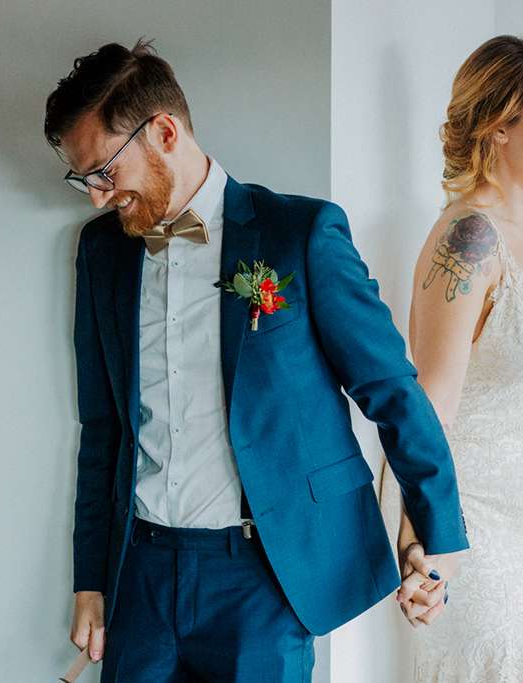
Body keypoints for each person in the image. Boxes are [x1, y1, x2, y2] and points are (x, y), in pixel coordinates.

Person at [43, 39, 468, 683]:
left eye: (104, 171)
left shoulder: (300, 233)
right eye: (84, 181)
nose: (97, 197)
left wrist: (438, 537)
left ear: (164, 133)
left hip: (265, 580)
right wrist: (91, 582)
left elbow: (391, 390)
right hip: (141, 577)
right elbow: (101, 427)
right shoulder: (101, 251)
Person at [383, 35, 523, 681]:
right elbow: (429, 409)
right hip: (467, 517)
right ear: (499, 124)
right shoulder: (469, 239)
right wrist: (423, 544)